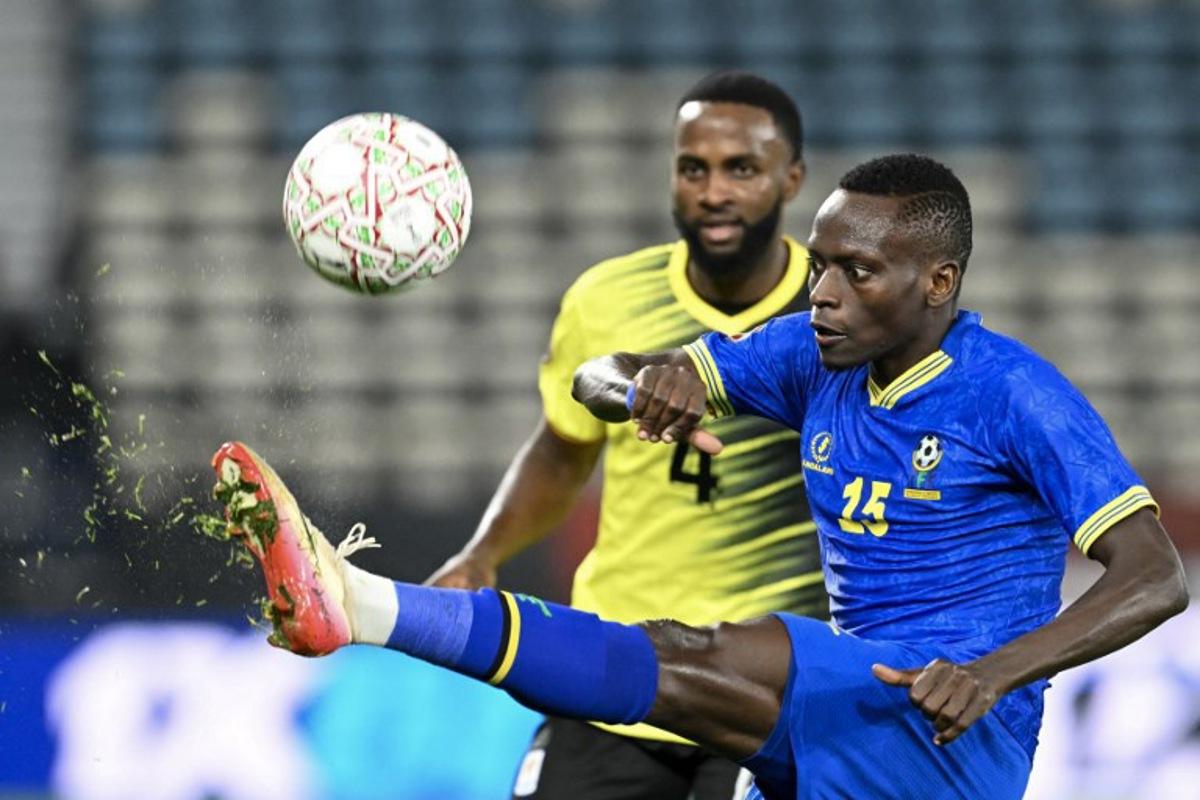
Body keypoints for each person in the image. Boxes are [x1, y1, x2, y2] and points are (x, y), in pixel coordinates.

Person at [212, 154, 1188, 799]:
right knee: (684, 656)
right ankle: (359, 606)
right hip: (848, 712)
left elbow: (1156, 574)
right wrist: (644, 385)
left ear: (937, 283)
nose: (825, 292)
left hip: (949, 737)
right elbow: (606, 376)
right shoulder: (816, 353)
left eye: (857, 272)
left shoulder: (1017, 395)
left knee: (702, 649)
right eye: (822, 266)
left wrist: (992, 669)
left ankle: (360, 602)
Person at [424, 70, 825, 798]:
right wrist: (482, 556)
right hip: (616, 672)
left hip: (773, 697)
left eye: (742, 168)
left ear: (792, 178)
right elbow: (562, 449)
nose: (713, 191)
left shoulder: (839, 317)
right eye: (692, 168)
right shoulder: (608, 299)